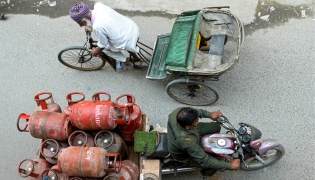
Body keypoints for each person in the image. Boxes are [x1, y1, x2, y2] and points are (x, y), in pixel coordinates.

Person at [167, 107, 240, 180]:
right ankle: (207, 174)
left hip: (194, 132)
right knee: (213, 164)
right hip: (184, 153)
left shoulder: (177, 112)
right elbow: (205, 160)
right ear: (187, 127)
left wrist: (209, 114)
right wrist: (229, 166)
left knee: (215, 127)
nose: (198, 120)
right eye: (196, 121)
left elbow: (196, 112)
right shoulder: (186, 141)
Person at [69, 2, 140, 69]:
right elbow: (103, 21)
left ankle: (126, 63)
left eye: (79, 22)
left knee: (105, 49)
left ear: (84, 19)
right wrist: (89, 25)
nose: (80, 25)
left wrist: (97, 50)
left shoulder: (97, 27)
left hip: (127, 40)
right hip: (131, 27)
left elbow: (102, 45)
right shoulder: (98, 6)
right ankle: (135, 57)